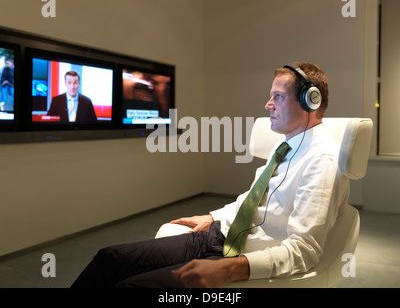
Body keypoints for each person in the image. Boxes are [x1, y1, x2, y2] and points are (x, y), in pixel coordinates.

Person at [71, 62, 350, 288]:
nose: (268, 104)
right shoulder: (286, 144)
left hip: (240, 254)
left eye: (278, 96)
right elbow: (252, 200)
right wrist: (213, 217)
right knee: (107, 259)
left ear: (309, 102)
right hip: (220, 235)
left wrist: (228, 269)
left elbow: (304, 251)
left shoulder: (322, 160)